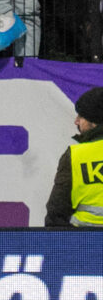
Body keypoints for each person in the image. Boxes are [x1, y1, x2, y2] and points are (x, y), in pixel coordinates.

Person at [43, 84, 103, 228]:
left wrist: (64, 247)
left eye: (81, 116)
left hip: (84, 244)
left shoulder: (76, 155)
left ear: (94, 122)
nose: (76, 121)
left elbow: (56, 212)